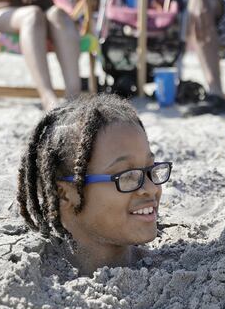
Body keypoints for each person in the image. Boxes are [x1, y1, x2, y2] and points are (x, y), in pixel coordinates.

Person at [17, 94, 173, 275]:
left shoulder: (179, 270)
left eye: (150, 169)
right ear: (64, 193)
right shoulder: (31, 282)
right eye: (127, 176)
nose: (152, 188)